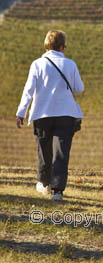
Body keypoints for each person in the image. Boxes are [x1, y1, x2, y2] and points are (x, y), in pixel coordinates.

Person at [16, 30, 84, 201]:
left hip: (42, 114)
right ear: (62, 46)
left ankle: (44, 183)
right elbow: (79, 88)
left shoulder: (37, 64)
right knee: (61, 152)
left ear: (47, 44)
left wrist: (21, 112)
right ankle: (58, 191)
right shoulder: (70, 64)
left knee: (44, 150)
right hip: (65, 114)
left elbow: (28, 91)